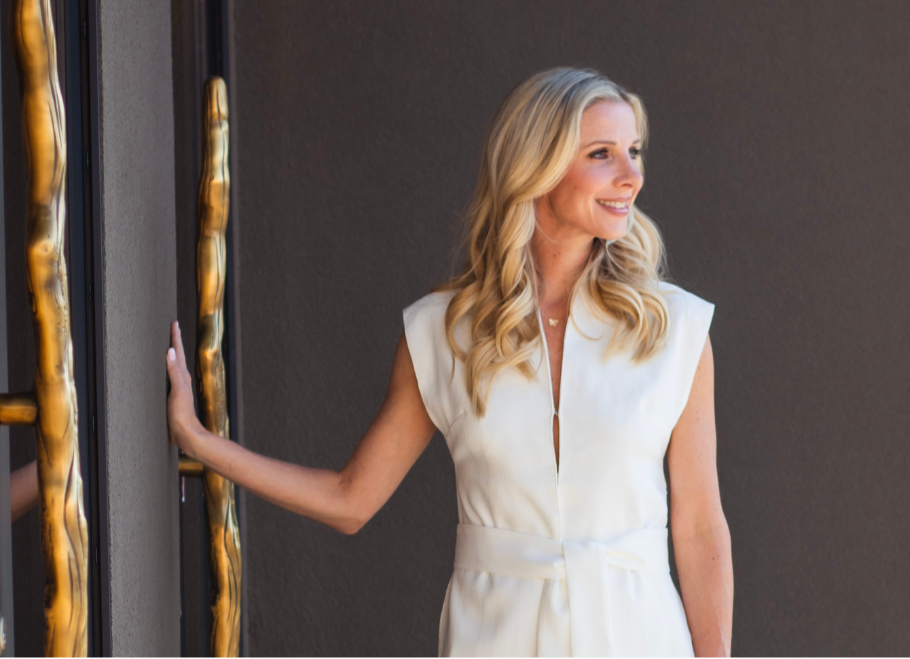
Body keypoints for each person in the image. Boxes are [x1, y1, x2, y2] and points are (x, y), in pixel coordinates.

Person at [165, 67, 733, 657]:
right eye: (601, 154)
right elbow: (350, 500)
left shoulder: (673, 329)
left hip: (640, 637)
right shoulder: (445, 333)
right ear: (536, 166)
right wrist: (200, 441)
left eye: (633, 152)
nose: (631, 176)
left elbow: (699, 527)